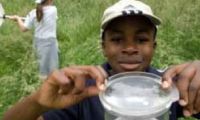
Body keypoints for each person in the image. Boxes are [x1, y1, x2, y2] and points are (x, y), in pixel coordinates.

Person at [3, 0, 200, 120]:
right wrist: (38, 101)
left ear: (154, 46)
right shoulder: (83, 92)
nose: (130, 48)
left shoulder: (170, 86)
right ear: (103, 47)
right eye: (116, 39)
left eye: (141, 39)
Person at [9, 0, 59, 80]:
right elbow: (43, 19)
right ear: (49, 0)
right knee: (53, 67)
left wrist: (18, 19)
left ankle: (41, 85)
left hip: (39, 43)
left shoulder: (33, 13)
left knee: (40, 66)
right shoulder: (53, 10)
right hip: (51, 43)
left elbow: (24, 28)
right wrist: (21, 19)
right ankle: (52, 85)